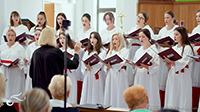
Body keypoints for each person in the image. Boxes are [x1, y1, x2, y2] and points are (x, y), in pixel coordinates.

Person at [29, 27, 81, 98]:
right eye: (55, 36)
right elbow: (73, 65)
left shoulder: (35, 53)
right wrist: (76, 52)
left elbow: (31, 74)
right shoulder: (56, 52)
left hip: (38, 93)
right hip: (53, 92)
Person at [160, 27, 194, 112]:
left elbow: (184, 62)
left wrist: (172, 62)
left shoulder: (187, 48)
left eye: (177, 34)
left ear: (182, 35)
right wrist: (167, 62)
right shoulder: (174, 48)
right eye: (174, 34)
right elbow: (171, 64)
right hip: (172, 74)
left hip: (183, 75)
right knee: (172, 93)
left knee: (182, 94)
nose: (174, 36)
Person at [128, 29, 160, 111]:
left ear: (148, 37)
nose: (141, 39)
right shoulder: (138, 51)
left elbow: (156, 67)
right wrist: (133, 65)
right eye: (139, 37)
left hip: (149, 77)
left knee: (150, 94)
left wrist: (146, 66)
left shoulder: (154, 50)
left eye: (143, 37)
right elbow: (136, 65)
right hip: (139, 76)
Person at [126, 11, 154, 86]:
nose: (139, 19)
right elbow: (128, 43)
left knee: (141, 68)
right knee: (132, 69)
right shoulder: (133, 28)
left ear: (145, 20)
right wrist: (126, 39)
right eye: (138, 17)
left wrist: (139, 38)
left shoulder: (147, 29)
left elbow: (151, 40)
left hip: (142, 49)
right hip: (132, 49)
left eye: (141, 18)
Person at [157, 11, 179, 107]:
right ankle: (161, 104)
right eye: (165, 18)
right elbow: (158, 43)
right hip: (162, 57)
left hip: (172, 57)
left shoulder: (176, 29)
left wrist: (170, 45)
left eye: (168, 17)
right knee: (161, 80)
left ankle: (170, 104)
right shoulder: (162, 30)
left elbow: (179, 43)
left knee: (169, 81)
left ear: (173, 18)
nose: (166, 20)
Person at [103, 32, 129, 108]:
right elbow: (106, 63)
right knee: (110, 91)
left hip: (120, 74)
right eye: (113, 39)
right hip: (111, 74)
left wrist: (113, 66)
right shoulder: (110, 52)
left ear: (120, 40)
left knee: (119, 92)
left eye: (116, 39)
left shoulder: (125, 50)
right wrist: (107, 66)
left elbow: (124, 62)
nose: (114, 41)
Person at [80, 32, 106, 104]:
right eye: (91, 37)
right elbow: (82, 62)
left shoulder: (102, 51)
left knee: (96, 93)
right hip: (88, 75)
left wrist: (92, 67)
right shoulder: (87, 51)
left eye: (94, 38)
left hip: (97, 75)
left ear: (98, 39)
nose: (92, 39)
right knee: (87, 92)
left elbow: (101, 62)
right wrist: (86, 67)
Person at [0, 29, 25, 101]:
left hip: (15, 72)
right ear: (6, 36)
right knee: (4, 88)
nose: (10, 37)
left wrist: (16, 65)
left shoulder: (20, 47)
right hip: (4, 71)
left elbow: (23, 61)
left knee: (15, 90)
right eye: (9, 35)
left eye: (12, 35)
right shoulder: (2, 47)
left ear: (15, 37)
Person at [59, 32, 84, 104]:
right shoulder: (58, 51)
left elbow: (76, 62)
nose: (62, 40)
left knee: (71, 92)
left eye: (64, 38)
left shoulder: (73, 50)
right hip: (61, 74)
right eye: (60, 38)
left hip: (71, 74)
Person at [189, 9, 200, 112]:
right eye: (196, 16)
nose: (198, 18)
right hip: (196, 58)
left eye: (199, 16)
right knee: (194, 83)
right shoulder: (195, 29)